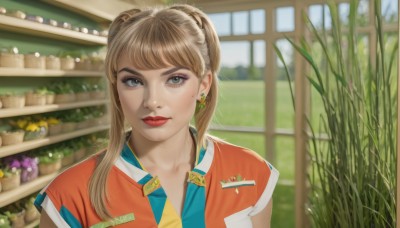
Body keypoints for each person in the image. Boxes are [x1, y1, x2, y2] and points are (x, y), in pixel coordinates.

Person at [34, 4, 279, 228]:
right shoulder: (68, 196)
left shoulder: (252, 172)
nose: (152, 101)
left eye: (175, 79)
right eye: (133, 81)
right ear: (116, 88)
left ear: (203, 85)